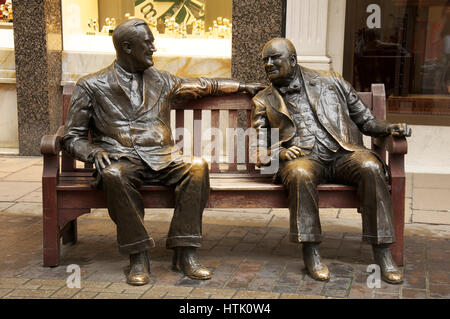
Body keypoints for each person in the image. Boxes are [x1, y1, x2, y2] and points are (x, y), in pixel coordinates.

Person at [63, 18, 263, 286]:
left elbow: (204, 85)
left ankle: (185, 252)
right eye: (148, 43)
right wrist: (92, 152)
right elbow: (72, 137)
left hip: (163, 157)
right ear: (127, 47)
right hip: (121, 159)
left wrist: (241, 87)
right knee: (113, 175)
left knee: (196, 166)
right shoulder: (91, 85)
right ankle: (138, 255)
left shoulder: (163, 80)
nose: (153, 48)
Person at [251, 38, 411, 284]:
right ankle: (311, 252)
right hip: (302, 159)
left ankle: (383, 253)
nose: (268, 64)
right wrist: (278, 153)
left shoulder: (332, 81)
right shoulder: (262, 100)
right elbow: (258, 150)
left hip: (342, 154)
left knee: (370, 165)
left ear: (293, 60)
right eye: (265, 61)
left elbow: (367, 121)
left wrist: (390, 128)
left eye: (275, 58)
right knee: (300, 173)